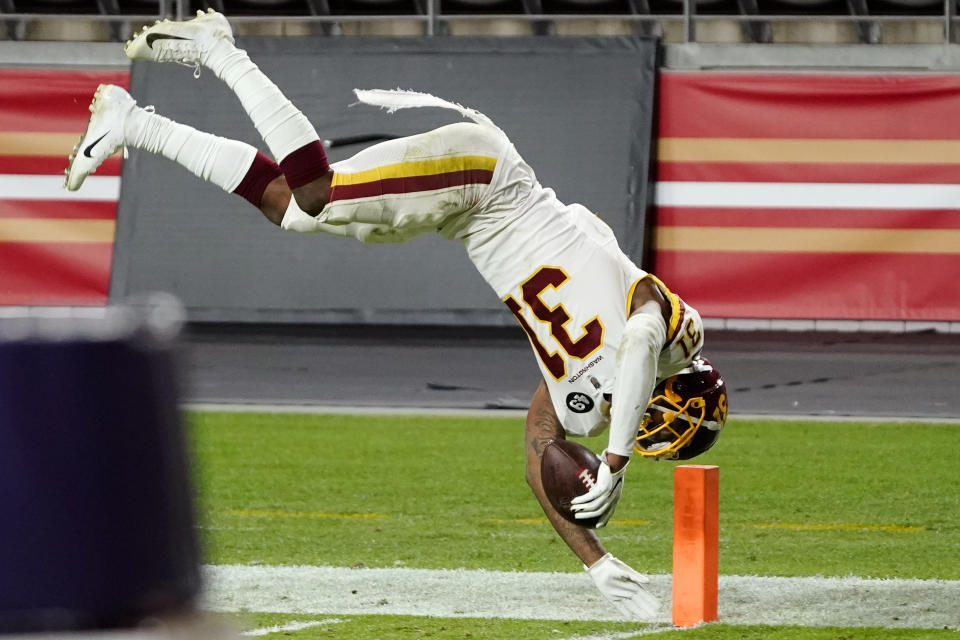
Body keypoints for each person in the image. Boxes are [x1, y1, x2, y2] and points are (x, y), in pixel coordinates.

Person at [64, 10, 728, 620]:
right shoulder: (673, 337)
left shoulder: (584, 404)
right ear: (674, 395)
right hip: (486, 181)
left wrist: (597, 564)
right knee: (316, 193)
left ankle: (134, 122)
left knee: (291, 210)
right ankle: (219, 48)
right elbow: (641, 339)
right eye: (659, 429)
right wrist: (613, 463)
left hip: (465, 213)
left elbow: (536, 452)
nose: (646, 434)